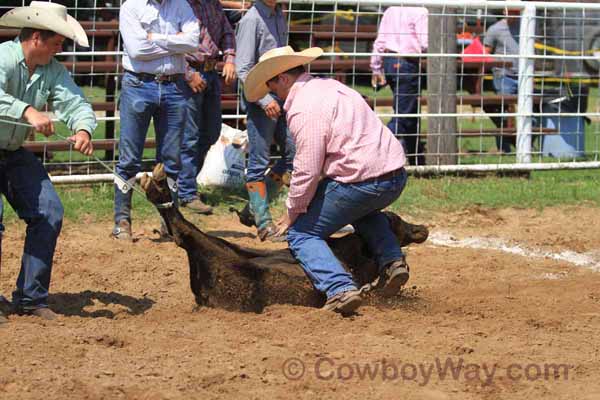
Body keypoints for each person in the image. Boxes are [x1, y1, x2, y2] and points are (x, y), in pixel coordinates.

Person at [244, 46, 410, 315]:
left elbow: (307, 168)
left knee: (302, 233)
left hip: (361, 180)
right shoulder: (331, 87)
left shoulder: (303, 109)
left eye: (272, 85)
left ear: (283, 79)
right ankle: (392, 261)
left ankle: (339, 288)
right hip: (394, 175)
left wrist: (292, 211)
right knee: (363, 210)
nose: (273, 92)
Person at [0, 2, 96, 322]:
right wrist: (27, 111)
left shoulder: (52, 69)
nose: (61, 47)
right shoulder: (2, 58)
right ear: (37, 37)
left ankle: (31, 297)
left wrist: (83, 128)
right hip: (11, 149)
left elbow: (74, 100)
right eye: (57, 41)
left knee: (49, 211)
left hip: (11, 152)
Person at [112, 0, 200, 240]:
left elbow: (193, 42)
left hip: (171, 85)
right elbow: (137, 49)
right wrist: (176, 44)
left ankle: (169, 220)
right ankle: (122, 219)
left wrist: (154, 37)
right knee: (129, 158)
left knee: (171, 159)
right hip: (140, 83)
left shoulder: (181, 4)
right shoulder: (131, 6)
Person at [235, 0, 295, 242]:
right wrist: (263, 99)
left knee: (293, 151)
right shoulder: (252, 20)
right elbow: (244, 68)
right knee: (259, 160)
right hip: (262, 99)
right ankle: (263, 222)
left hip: (278, 96)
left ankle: (254, 208)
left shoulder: (278, 14)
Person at [177, 0, 237, 215]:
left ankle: (185, 185)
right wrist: (187, 73)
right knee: (190, 136)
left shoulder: (214, 5)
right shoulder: (182, 6)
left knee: (210, 133)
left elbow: (227, 33)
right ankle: (186, 191)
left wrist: (229, 58)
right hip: (192, 72)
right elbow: (171, 44)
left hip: (210, 72)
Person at [371, 6, 428, 166]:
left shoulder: (391, 9)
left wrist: (376, 67)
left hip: (390, 61)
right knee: (404, 114)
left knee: (407, 112)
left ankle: (416, 158)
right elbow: (426, 42)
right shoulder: (420, 11)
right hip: (407, 61)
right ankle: (376, 149)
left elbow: (380, 41)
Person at [483, 6, 521, 153]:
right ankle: (503, 149)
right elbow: (486, 53)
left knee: (531, 114)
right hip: (503, 75)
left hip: (523, 75)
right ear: (505, 11)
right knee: (504, 113)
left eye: (516, 12)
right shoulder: (495, 29)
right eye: (511, 11)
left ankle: (524, 146)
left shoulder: (526, 26)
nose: (513, 15)